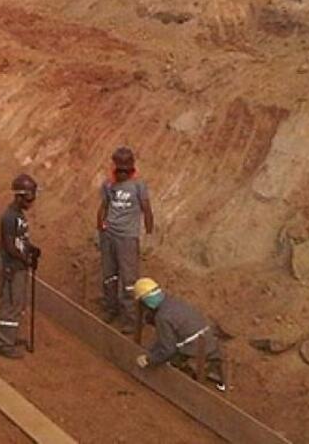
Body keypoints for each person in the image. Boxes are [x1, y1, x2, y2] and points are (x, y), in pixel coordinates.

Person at [95, 146, 153, 334]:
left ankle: (130, 319)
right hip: (109, 235)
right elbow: (104, 206)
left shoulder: (138, 186)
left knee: (129, 281)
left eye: (124, 170)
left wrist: (149, 234)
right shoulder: (109, 185)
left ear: (131, 168)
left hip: (128, 238)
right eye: (118, 169)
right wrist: (101, 226)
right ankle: (111, 308)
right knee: (109, 276)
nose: (121, 173)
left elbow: (147, 210)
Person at [133, 277, 226, 392]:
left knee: (167, 362)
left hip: (195, 347)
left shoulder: (162, 317)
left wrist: (149, 359)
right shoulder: (173, 302)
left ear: (146, 300)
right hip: (209, 339)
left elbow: (168, 349)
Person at [0, 173, 41, 359]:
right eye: (29, 198)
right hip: (12, 267)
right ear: (19, 196)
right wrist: (24, 259)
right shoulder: (9, 217)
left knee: (18, 302)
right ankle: (4, 343)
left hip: (19, 266)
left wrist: (31, 249)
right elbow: (9, 245)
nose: (31, 202)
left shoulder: (19, 216)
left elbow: (21, 240)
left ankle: (9, 337)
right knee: (10, 304)